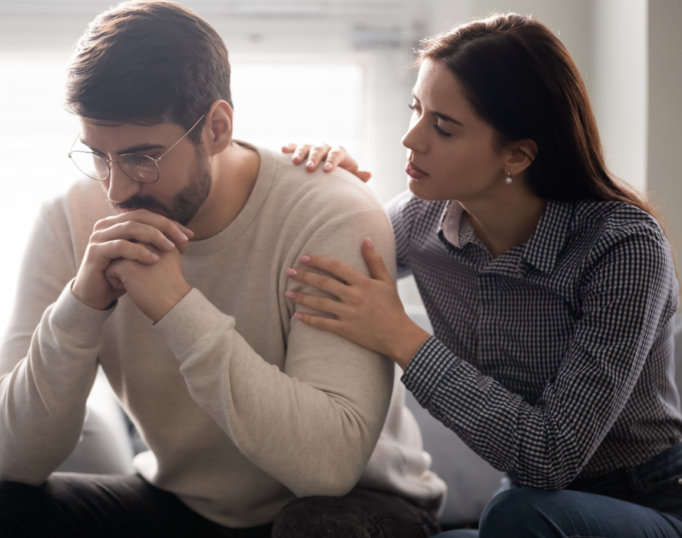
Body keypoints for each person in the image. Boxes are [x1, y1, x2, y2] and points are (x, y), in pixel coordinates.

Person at [0, 1, 446, 537]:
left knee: (320, 527)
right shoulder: (70, 217)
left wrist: (178, 309)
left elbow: (326, 469)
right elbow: (12, 460)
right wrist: (81, 307)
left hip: (355, 503)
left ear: (217, 127)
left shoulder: (330, 213)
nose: (116, 189)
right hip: (185, 506)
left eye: (143, 157)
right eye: (98, 155)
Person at [284, 13, 682, 538]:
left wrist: (400, 335)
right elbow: (321, 266)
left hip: (647, 496)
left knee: (516, 516)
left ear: (517, 154)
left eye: (442, 127)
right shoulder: (419, 219)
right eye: (416, 110)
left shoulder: (622, 246)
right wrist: (330, 188)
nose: (410, 139)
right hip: (524, 504)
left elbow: (551, 457)